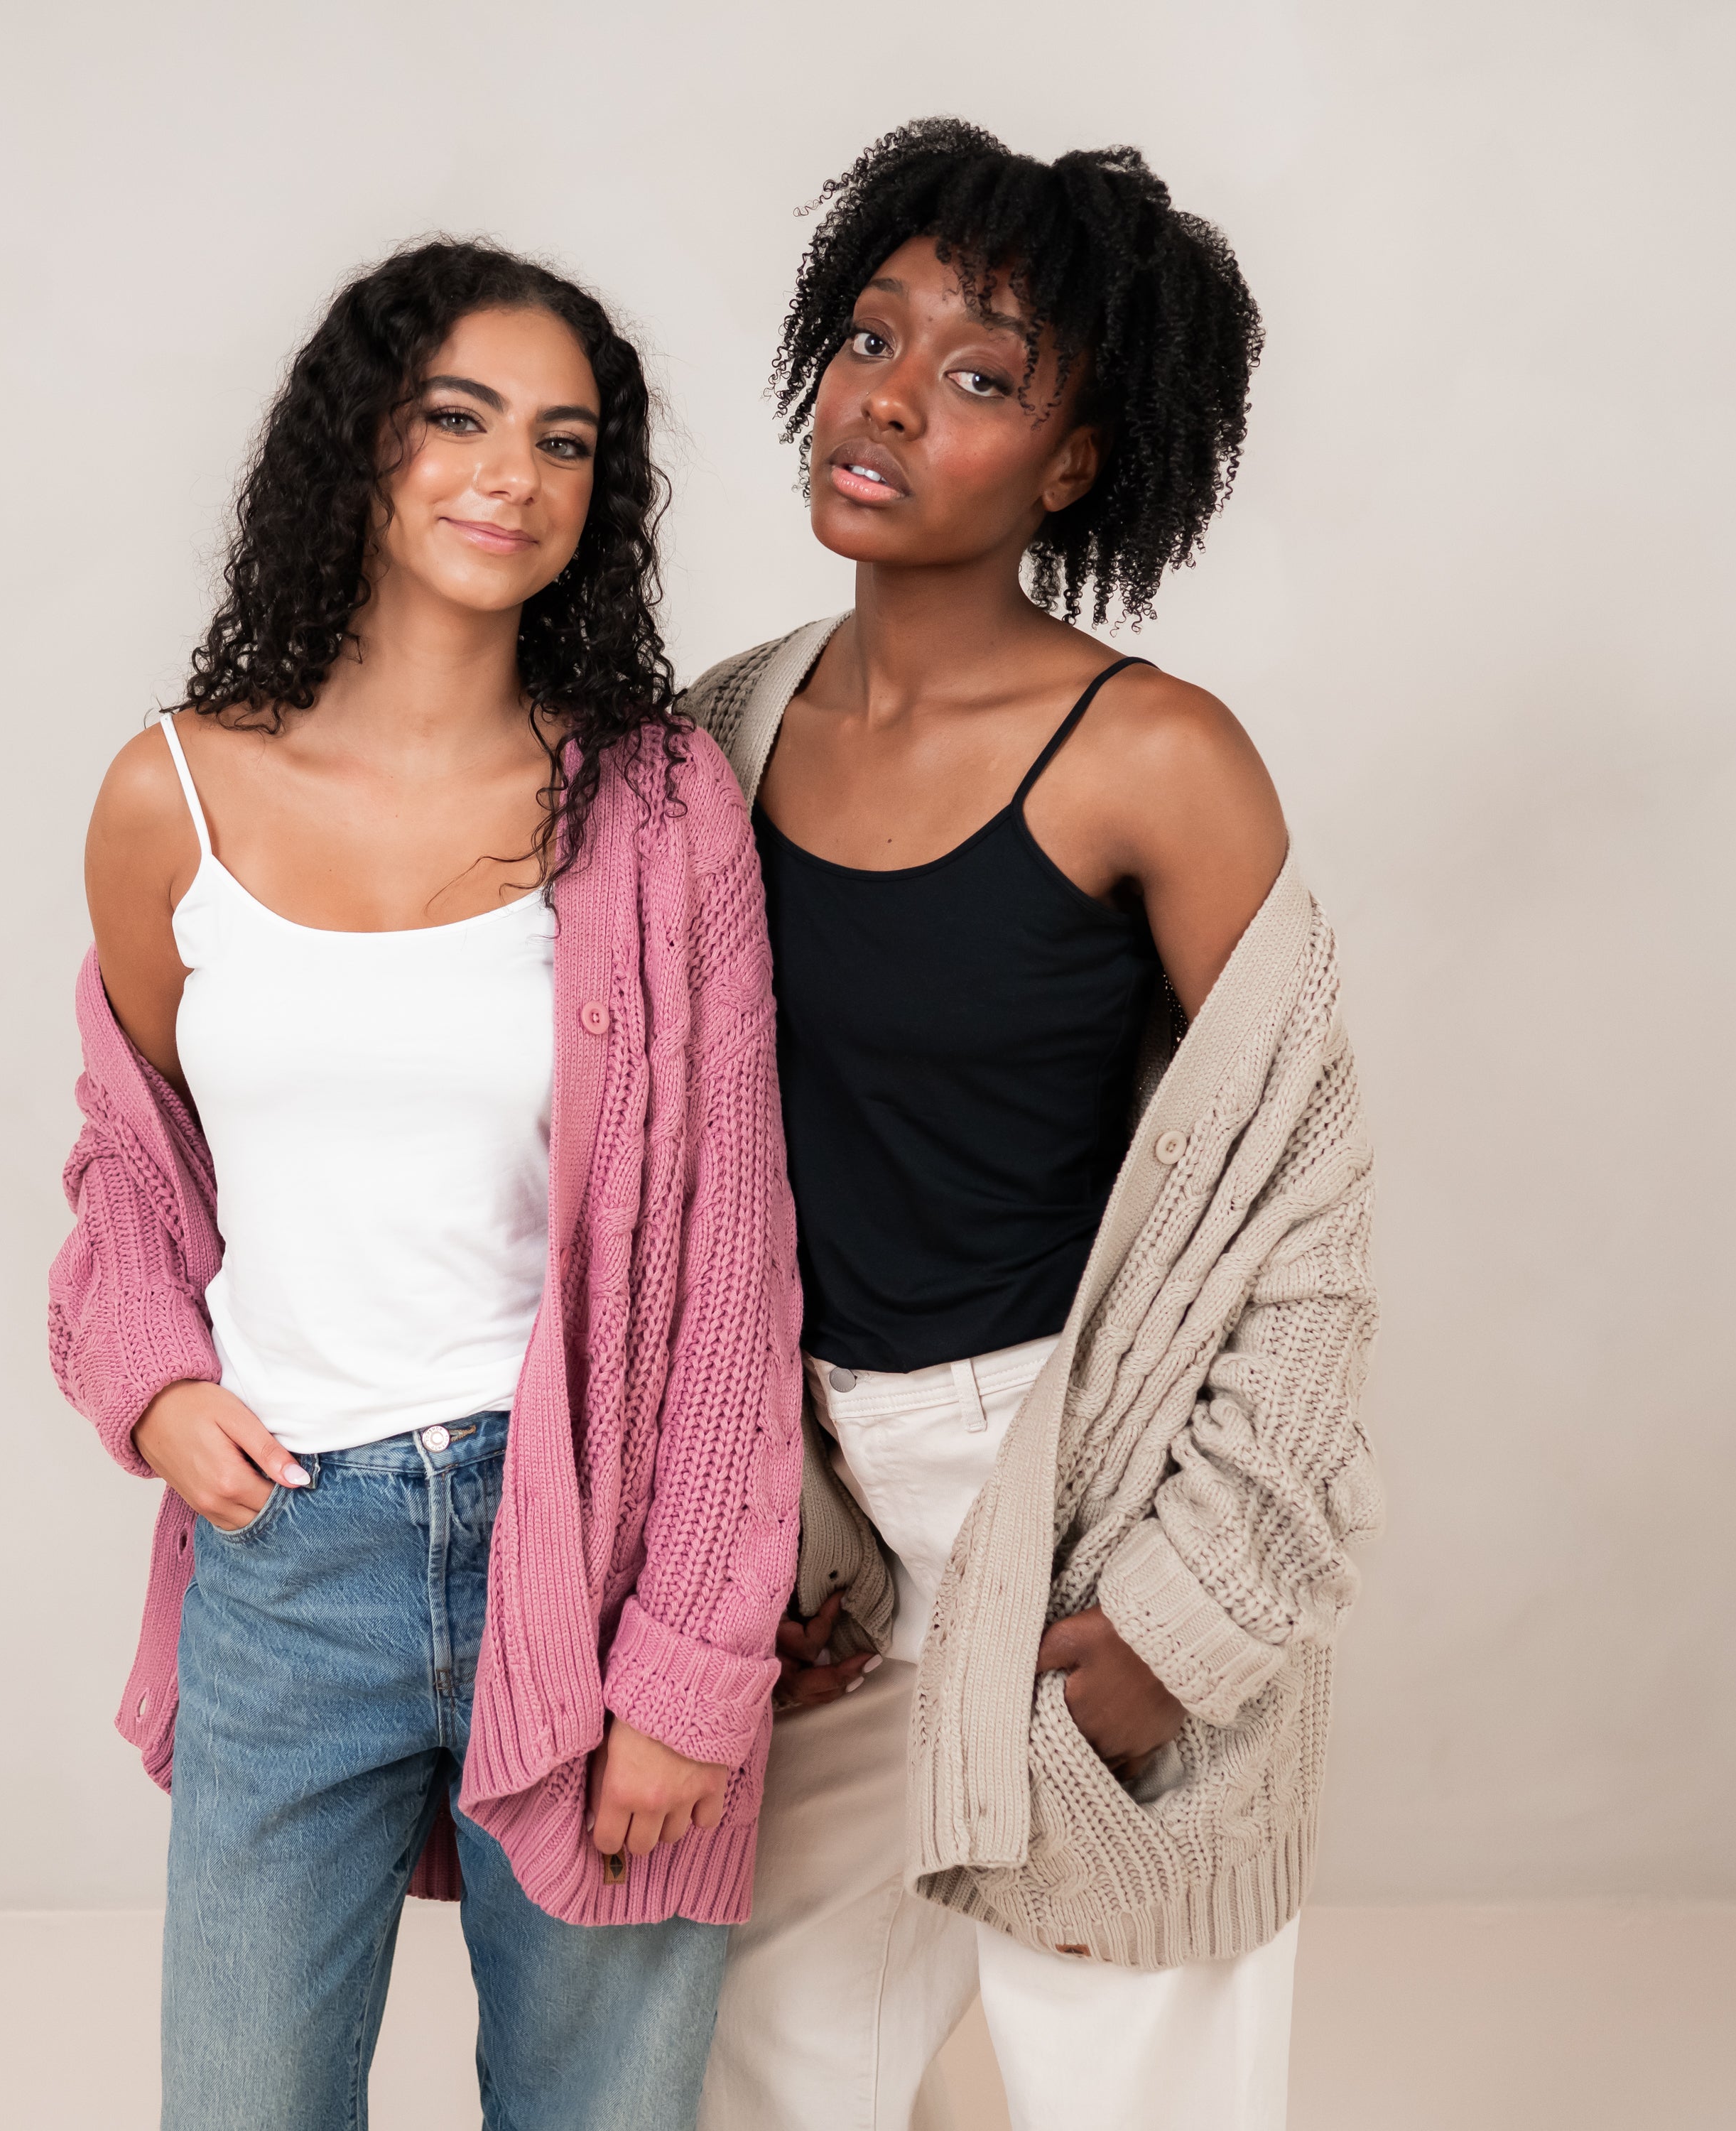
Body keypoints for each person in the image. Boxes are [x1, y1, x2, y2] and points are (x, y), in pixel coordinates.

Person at [47, 239, 802, 2131]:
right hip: (292, 1558)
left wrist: (692, 1668)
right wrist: (152, 1380)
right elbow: (132, 1160)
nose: (510, 476)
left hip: (602, 1542)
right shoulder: (174, 795)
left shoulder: (654, 806)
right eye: (459, 418)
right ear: (361, 445)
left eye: (563, 442)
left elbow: (733, 1265)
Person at [687, 122, 1382, 2131]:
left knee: (1129, 2069)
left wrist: (1188, 1615)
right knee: (759, 2062)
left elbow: (1302, 1223)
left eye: (984, 374)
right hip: (830, 1530)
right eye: (872, 335)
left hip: (1075, 1498)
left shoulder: (1154, 760)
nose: (891, 396)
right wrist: (756, 1539)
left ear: (1078, 462)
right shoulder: (723, 730)